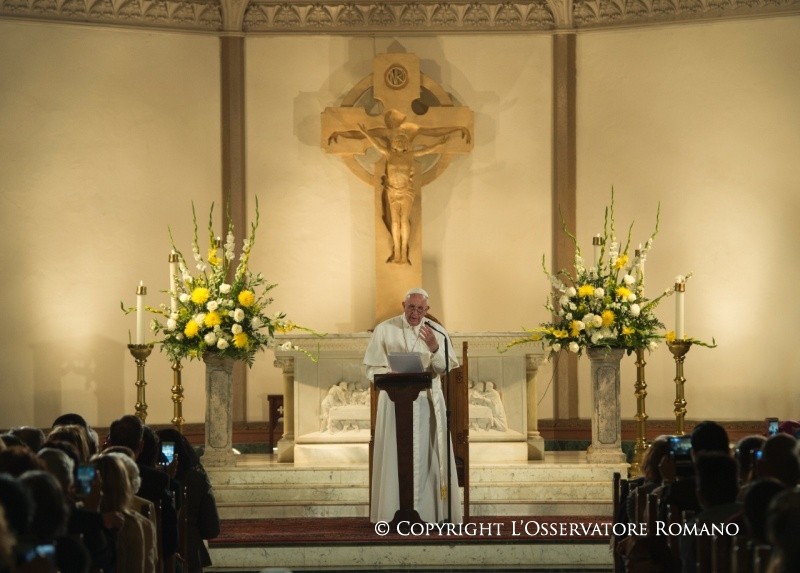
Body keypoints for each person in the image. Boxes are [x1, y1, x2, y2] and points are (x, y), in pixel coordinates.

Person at [363, 287, 461, 524]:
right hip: (395, 403)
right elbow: (370, 368)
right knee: (395, 455)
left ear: (427, 309)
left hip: (426, 403)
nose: (415, 313)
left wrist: (435, 347)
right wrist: (389, 373)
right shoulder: (385, 329)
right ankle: (391, 512)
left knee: (427, 456)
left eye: (420, 309)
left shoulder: (437, 332)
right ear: (403, 306)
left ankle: (429, 514)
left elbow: (444, 368)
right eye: (410, 308)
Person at [157, 428, 220, 573]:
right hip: (190, 553)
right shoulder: (196, 478)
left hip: (154, 551)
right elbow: (211, 528)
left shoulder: (146, 479)